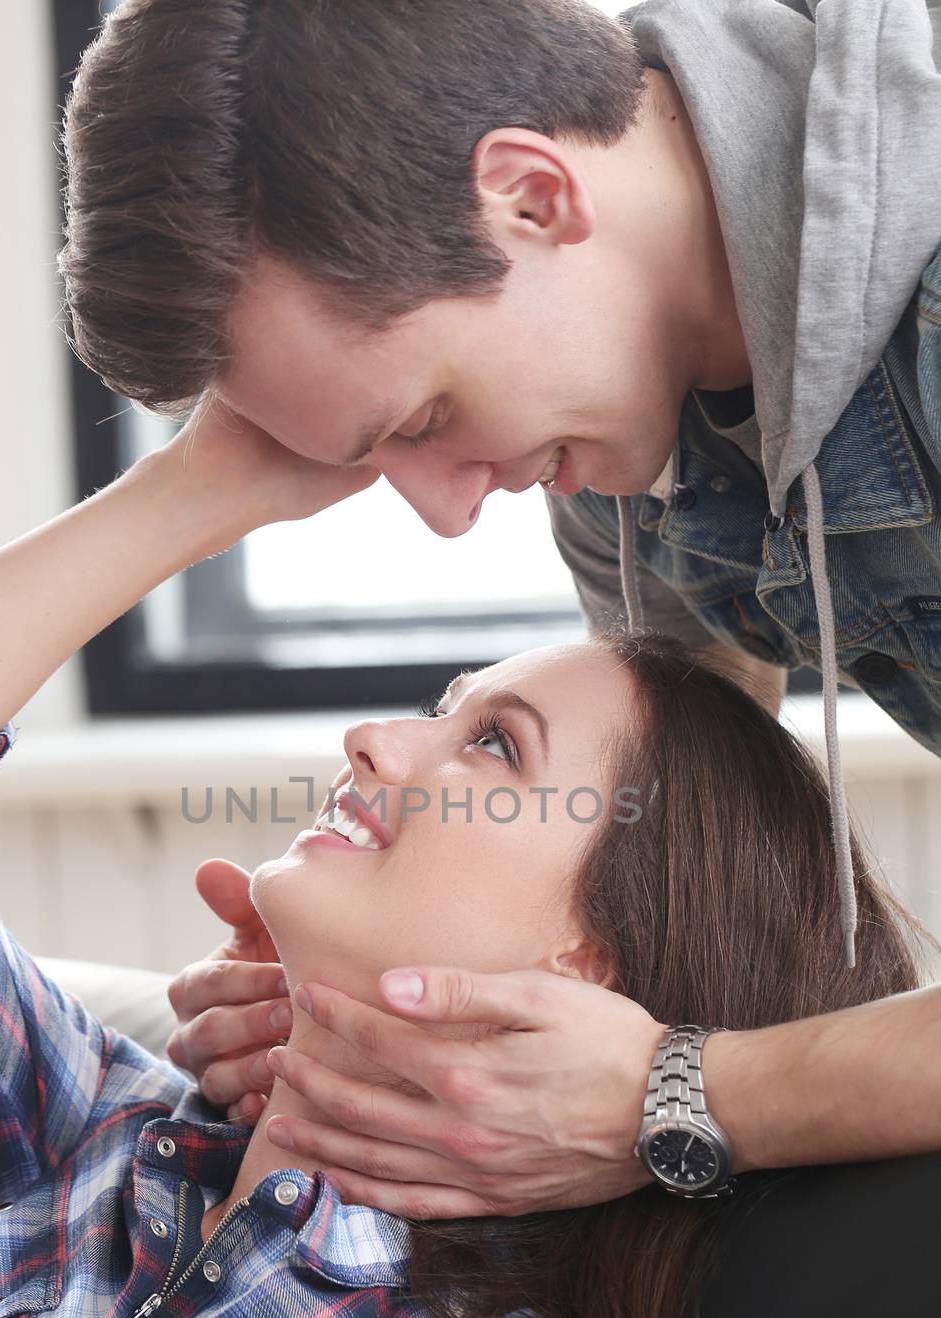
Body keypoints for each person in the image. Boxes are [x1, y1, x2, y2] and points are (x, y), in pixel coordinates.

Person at [0, 403, 931, 1318]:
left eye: (491, 748)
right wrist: (196, 486)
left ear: (583, 968)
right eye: (439, 711)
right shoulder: (116, 1133)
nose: (373, 741)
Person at [56, 0, 941, 1226]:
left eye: (421, 421)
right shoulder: (617, 461)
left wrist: (672, 1091)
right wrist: (360, 1007)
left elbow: (672, 1001)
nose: (451, 514)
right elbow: (670, 867)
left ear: (531, 197)